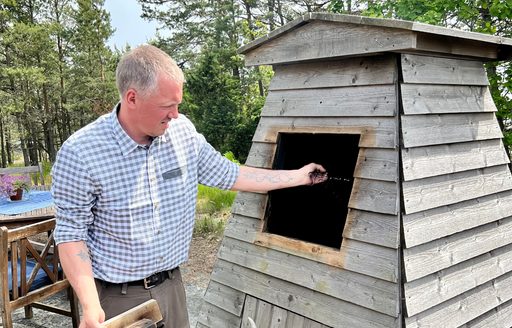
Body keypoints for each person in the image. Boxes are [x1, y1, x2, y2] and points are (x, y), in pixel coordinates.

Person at [52, 44, 326, 328]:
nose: (175, 114)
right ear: (132, 98)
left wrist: (298, 176)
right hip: (117, 297)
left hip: (172, 286)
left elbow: (229, 174)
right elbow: (71, 233)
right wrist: (89, 303)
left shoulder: (182, 132)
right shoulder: (81, 153)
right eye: (167, 106)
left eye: (178, 104)